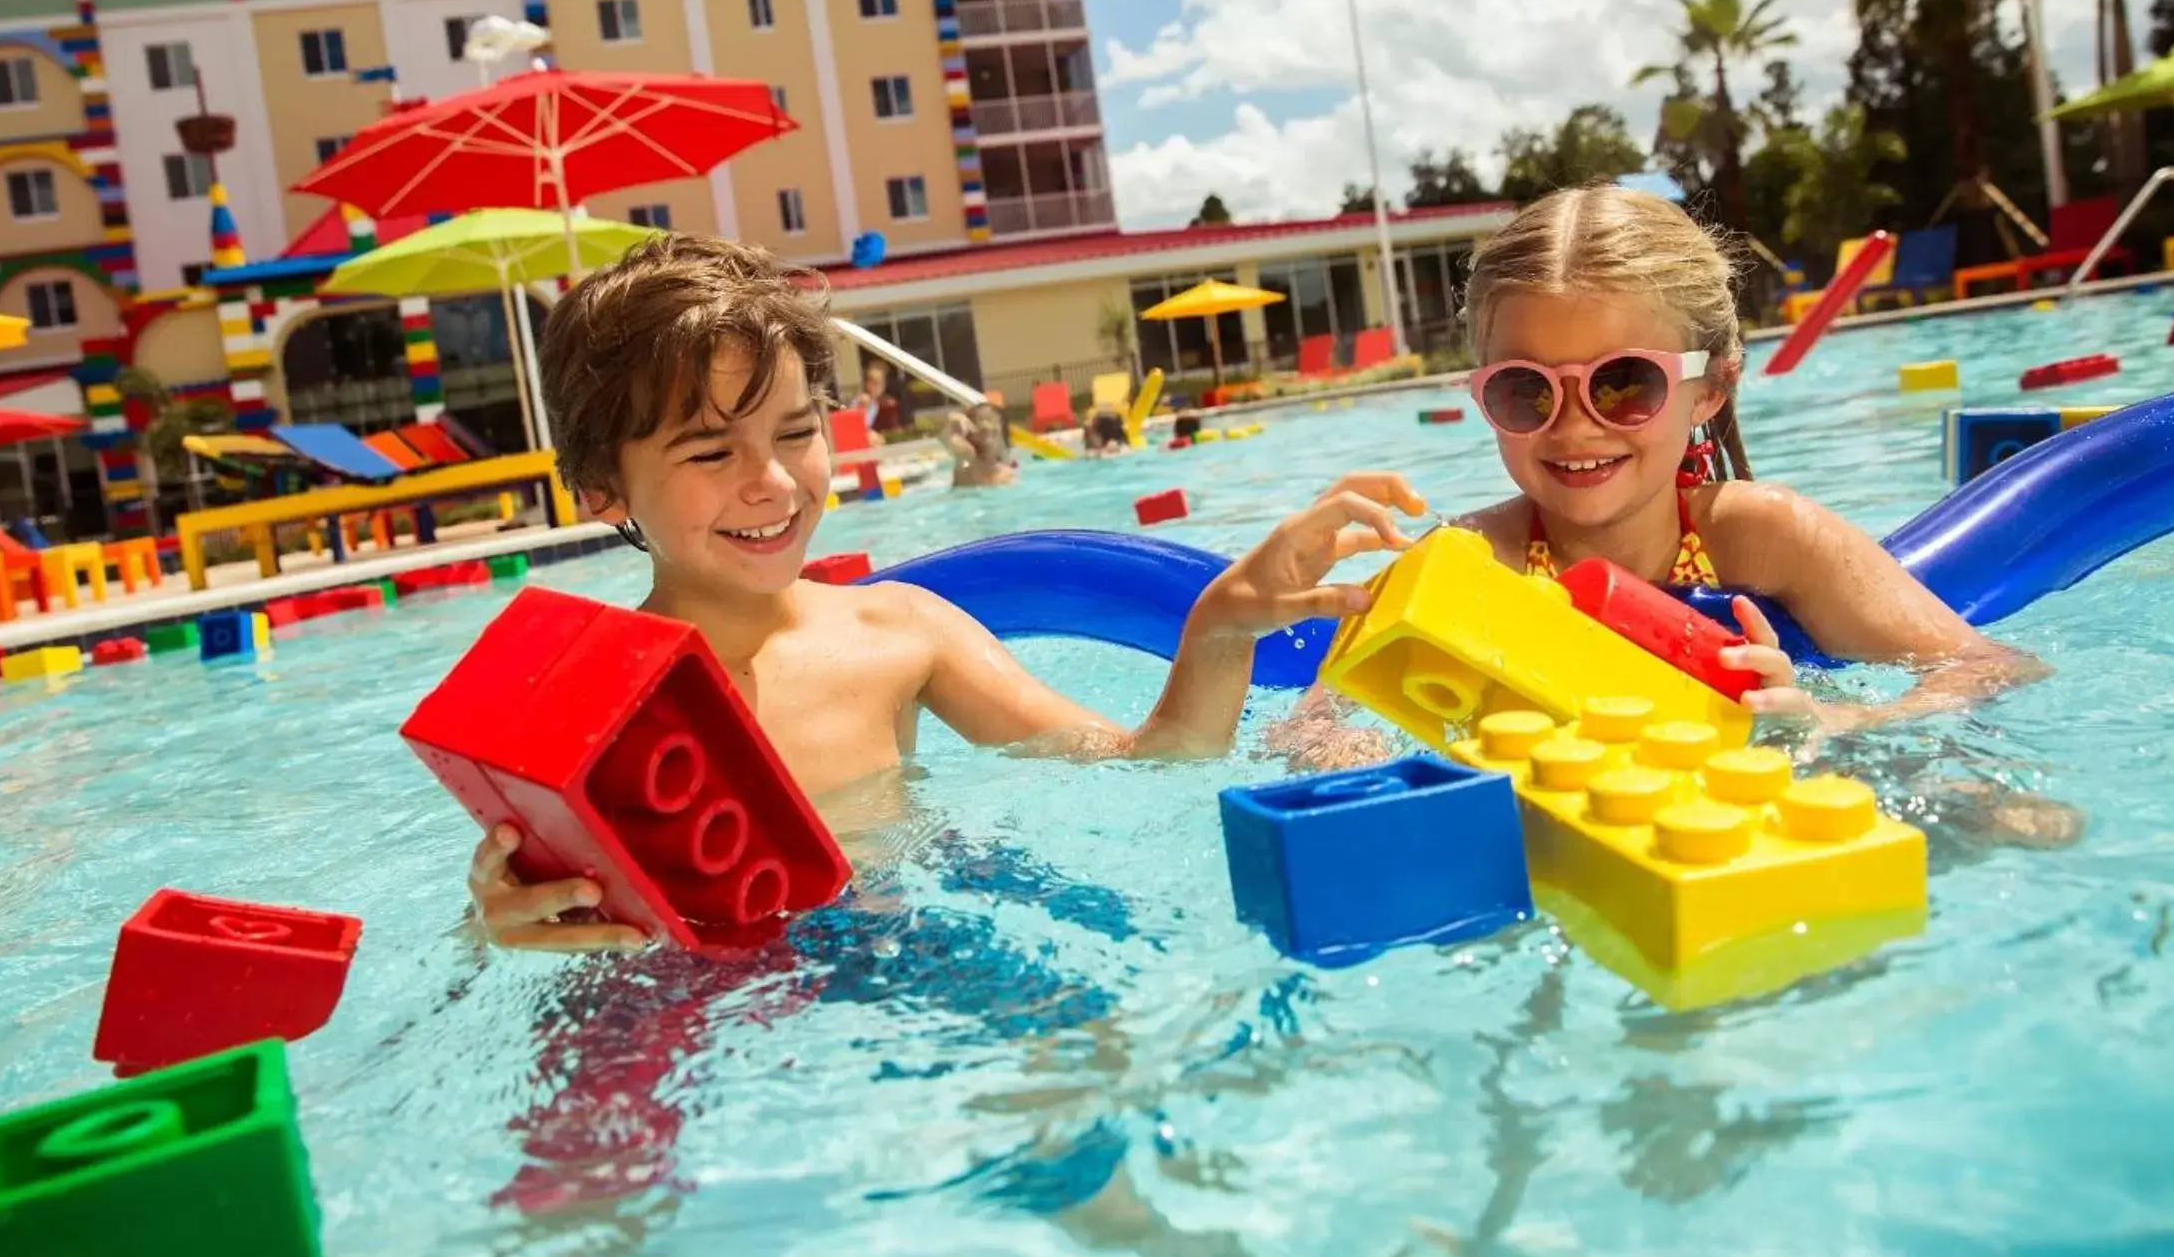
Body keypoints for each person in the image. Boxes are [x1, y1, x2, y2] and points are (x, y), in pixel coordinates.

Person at [470, 234, 1424, 950]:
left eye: (797, 432)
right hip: (703, 990)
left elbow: (1150, 762)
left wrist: (1219, 626)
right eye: (712, 451)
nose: (768, 480)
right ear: (601, 489)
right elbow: (527, 915)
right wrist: (498, 923)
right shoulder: (583, 696)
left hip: (898, 945)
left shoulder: (902, 631)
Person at [1271, 186, 2068, 832]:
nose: (1576, 425)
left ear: (1711, 387)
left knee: (2021, 824)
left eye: (1625, 384)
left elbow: (1992, 666)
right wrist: (1357, 753)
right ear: (1483, 396)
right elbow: (1307, 721)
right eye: (1526, 390)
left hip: (1758, 805)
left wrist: (1832, 717)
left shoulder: (1765, 538)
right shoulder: (1474, 559)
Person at [940, 394, 1018, 489]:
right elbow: (944, 438)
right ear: (970, 432)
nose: (986, 425)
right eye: (979, 421)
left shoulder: (1007, 474)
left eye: (992, 420)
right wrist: (953, 419)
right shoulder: (967, 456)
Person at [853, 358, 901, 438]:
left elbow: (894, 430)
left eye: (877, 383)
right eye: (870, 381)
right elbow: (852, 428)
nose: (873, 386)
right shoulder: (859, 402)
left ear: (884, 385)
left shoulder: (888, 404)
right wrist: (862, 409)